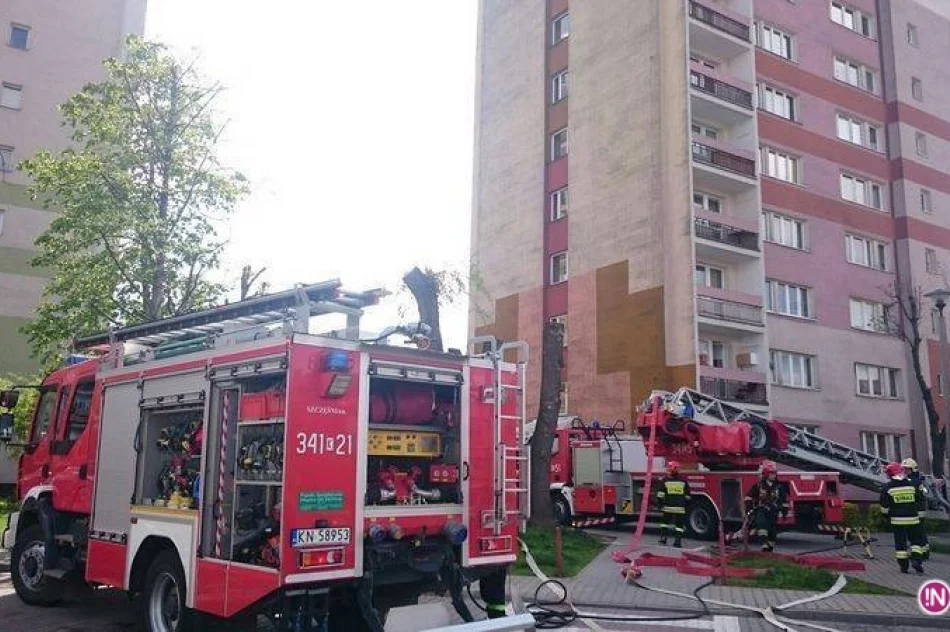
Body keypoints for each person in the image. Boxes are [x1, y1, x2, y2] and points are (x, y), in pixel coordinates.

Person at [882, 461, 926, 573]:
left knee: (900, 544)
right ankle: (916, 560)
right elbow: (919, 498)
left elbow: (884, 506)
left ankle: (904, 566)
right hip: (913, 518)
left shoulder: (888, 487)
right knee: (916, 541)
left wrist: (886, 516)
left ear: (891, 474)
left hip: (897, 521)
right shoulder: (911, 484)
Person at [744, 461, 786, 552]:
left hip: (773, 511)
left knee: (773, 531)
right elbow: (748, 497)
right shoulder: (758, 486)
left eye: (774, 474)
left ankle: (770, 549)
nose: (773, 476)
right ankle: (764, 545)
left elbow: (784, 500)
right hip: (761, 510)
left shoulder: (779, 487)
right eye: (771, 474)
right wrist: (749, 509)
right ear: (766, 474)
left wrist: (784, 512)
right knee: (762, 526)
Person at [657, 460, 691, 547]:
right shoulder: (683, 480)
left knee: (665, 523)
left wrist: (660, 505)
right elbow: (688, 496)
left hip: (668, 507)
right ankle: (677, 542)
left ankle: (663, 539)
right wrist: (686, 505)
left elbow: (660, 494)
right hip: (680, 508)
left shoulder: (665, 480)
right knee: (679, 526)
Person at [902, 458, 930, 560]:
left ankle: (921, 553)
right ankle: (924, 552)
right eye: (904, 469)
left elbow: (916, 496)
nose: (905, 471)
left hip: (917, 511)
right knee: (919, 532)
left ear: (913, 469)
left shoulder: (914, 481)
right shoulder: (915, 480)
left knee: (917, 533)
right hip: (916, 510)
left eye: (907, 469)